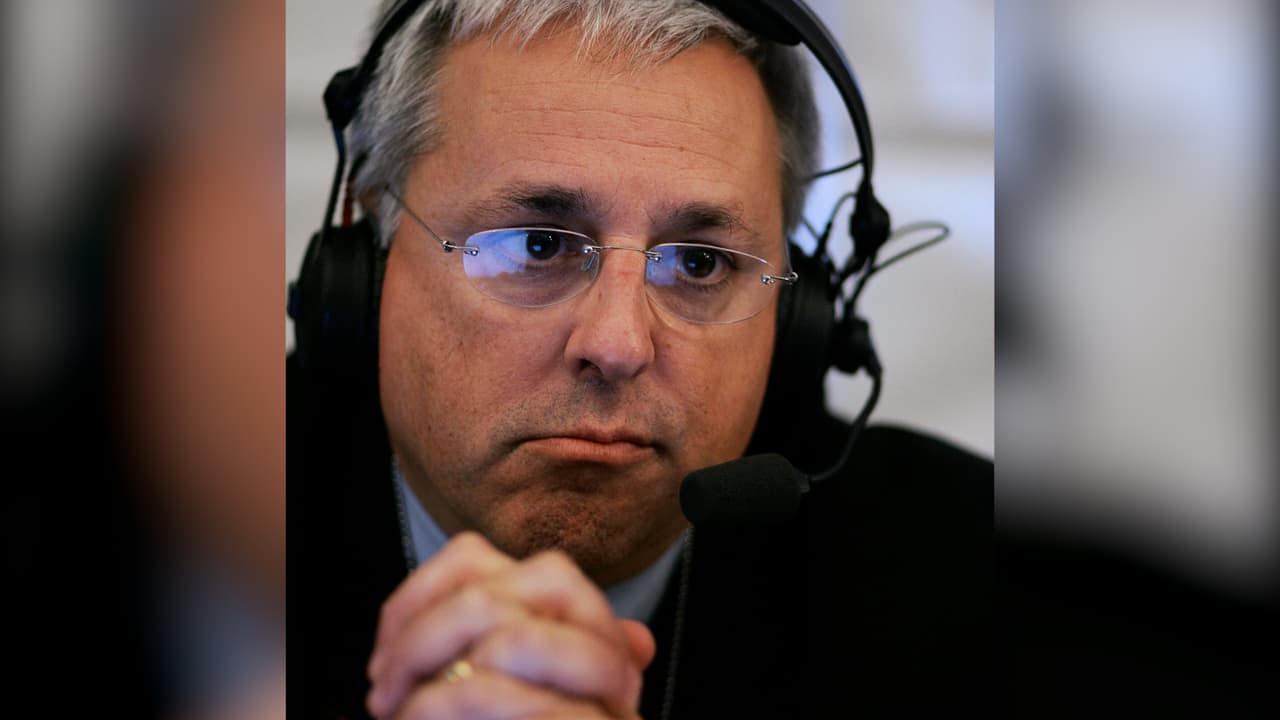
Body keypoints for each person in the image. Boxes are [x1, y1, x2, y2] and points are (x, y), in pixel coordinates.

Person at [288, 1, 991, 718]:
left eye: (698, 262)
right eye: (537, 245)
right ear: (369, 247)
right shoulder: (229, 519)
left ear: (795, 312)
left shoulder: (967, 574)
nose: (618, 345)